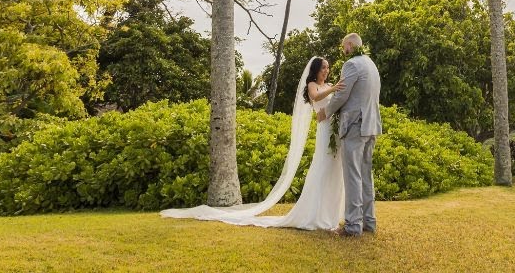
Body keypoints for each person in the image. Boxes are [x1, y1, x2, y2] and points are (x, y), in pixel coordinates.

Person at [159, 56, 345, 229]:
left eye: (327, 67)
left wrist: (334, 92)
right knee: (322, 166)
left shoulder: (329, 84)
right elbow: (315, 97)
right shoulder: (313, 85)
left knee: (334, 168)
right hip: (324, 130)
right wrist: (333, 88)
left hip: (334, 130)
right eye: (323, 68)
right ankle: (315, 214)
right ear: (315, 70)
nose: (326, 71)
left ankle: (331, 213)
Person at [318, 33, 382, 237]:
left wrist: (325, 112)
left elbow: (342, 94)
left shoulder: (352, 64)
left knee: (353, 175)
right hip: (371, 125)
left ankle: (353, 225)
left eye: (344, 46)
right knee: (365, 174)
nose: (343, 50)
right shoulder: (371, 64)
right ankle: (369, 222)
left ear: (350, 45)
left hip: (355, 125)